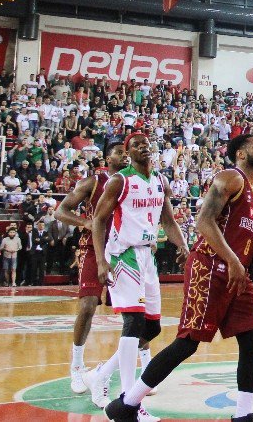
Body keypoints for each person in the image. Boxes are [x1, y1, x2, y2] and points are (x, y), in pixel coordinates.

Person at [105, 134, 253, 422]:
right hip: (209, 266)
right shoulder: (230, 178)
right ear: (240, 154)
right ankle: (127, 405)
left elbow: (250, 239)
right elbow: (203, 222)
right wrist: (233, 260)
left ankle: (243, 415)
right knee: (187, 342)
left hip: (236, 272)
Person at [93, 133, 188, 422]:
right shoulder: (119, 181)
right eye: (135, 144)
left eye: (146, 142)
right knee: (133, 322)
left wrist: (183, 245)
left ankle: (101, 374)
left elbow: (168, 221)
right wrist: (100, 260)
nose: (143, 146)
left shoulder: (160, 181)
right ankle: (128, 402)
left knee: (153, 328)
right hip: (123, 255)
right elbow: (98, 219)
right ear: (127, 152)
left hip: (148, 255)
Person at [55, 141, 151, 402]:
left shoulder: (133, 181)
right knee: (87, 306)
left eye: (125, 152)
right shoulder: (93, 182)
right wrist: (84, 221)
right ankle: (77, 366)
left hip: (124, 250)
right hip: (94, 249)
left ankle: (146, 363)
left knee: (135, 312)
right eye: (118, 152)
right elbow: (60, 211)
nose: (123, 155)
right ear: (107, 156)